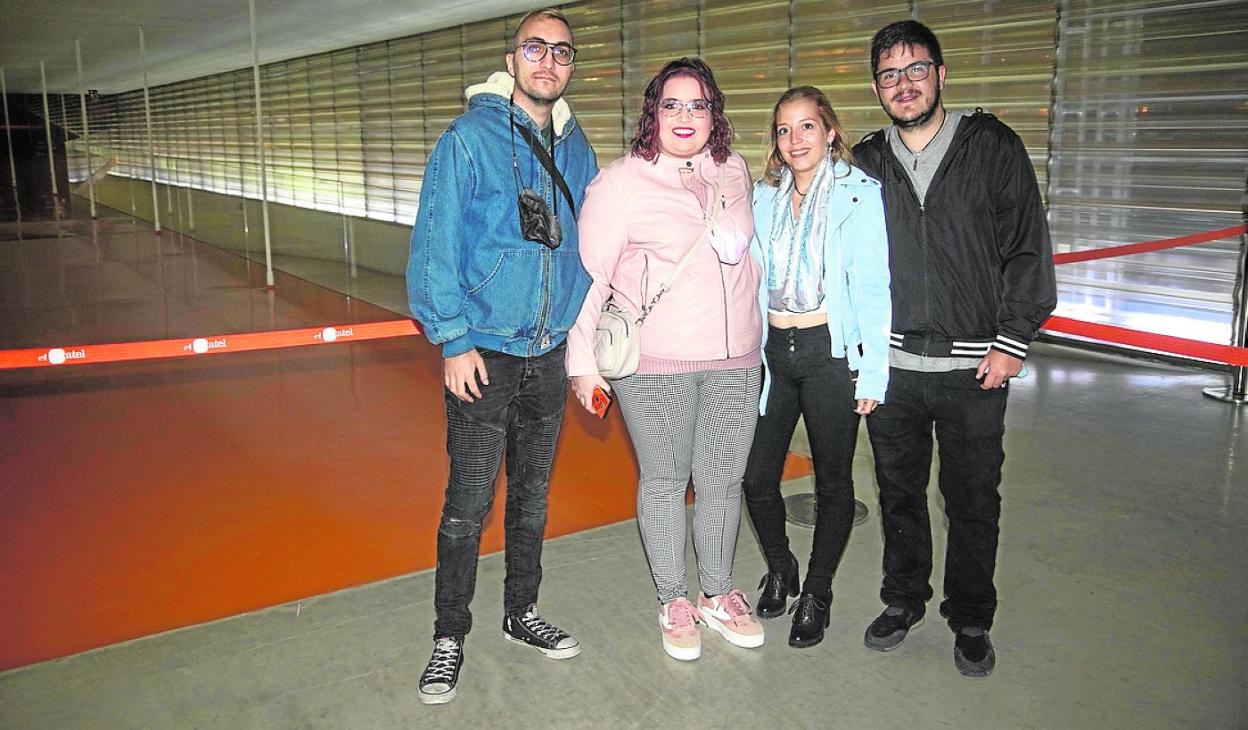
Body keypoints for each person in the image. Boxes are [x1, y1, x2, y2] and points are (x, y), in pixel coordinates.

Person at [852, 20, 1057, 677]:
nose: (903, 84)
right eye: (889, 74)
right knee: (898, 495)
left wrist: (1012, 341)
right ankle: (903, 599)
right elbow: (843, 260)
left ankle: (970, 617)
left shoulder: (991, 146)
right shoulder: (866, 161)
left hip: (975, 368)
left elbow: (1028, 247)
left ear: (941, 75)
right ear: (877, 87)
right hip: (892, 370)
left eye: (916, 70)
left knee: (973, 499)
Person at [405, 8, 597, 705]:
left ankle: (522, 613)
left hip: (547, 354)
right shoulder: (468, 140)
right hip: (484, 354)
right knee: (468, 503)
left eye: (563, 52)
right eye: (536, 48)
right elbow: (435, 246)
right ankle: (449, 635)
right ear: (513, 58)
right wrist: (453, 339)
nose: (549, 62)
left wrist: (582, 338)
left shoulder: (578, 150)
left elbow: (588, 249)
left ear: (572, 66)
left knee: (533, 500)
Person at [566, 57, 764, 662]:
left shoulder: (734, 171)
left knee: (724, 482)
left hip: (735, 360)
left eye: (698, 105)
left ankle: (717, 591)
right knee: (665, 481)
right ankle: (674, 598)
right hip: (656, 365)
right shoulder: (620, 182)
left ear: (715, 115)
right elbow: (591, 278)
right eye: (671, 105)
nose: (685, 117)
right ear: (652, 113)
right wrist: (582, 364)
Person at [741, 86, 891, 649]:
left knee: (833, 482)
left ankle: (818, 592)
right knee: (756, 478)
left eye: (807, 126)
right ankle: (781, 567)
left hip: (832, 351)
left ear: (830, 131)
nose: (795, 138)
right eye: (784, 129)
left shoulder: (859, 195)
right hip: (774, 352)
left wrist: (873, 372)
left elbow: (875, 286)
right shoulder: (763, 197)